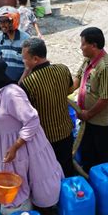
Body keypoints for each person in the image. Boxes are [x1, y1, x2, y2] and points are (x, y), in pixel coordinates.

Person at [0, 54, 64, 212]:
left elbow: (32, 120)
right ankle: (25, 210)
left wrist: (16, 147)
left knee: (32, 177)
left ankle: (43, 211)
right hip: (5, 147)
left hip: (23, 144)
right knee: (16, 182)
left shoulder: (12, 93)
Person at [20, 38, 75, 177]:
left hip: (45, 138)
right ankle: (71, 194)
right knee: (67, 167)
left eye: (25, 59)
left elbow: (19, 98)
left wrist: (26, 71)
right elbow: (69, 90)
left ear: (35, 59)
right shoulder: (63, 69)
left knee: (50, 173)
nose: (23, 62)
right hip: (66, 131)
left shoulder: (29, 82)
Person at [71, 27, 108, 172]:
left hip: (104, 122)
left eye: (83, 44)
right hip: (89, 118)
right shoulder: (88, 60)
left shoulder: (106, 67)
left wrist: (88, 114)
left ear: (93, 45)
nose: (81, 47)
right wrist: (65, 91)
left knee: (106, 156)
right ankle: (92, 177)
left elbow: (105, 98)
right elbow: (78, 78)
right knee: (89, 152)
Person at [0, 6, 30, 82]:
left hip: (23, 81)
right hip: (6, 80)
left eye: (5, 21)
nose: (2, 25)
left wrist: (20, 83)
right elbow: (0, 61)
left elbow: (28, 66)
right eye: (0, 22)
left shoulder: (26, 39)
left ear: (14, 21)